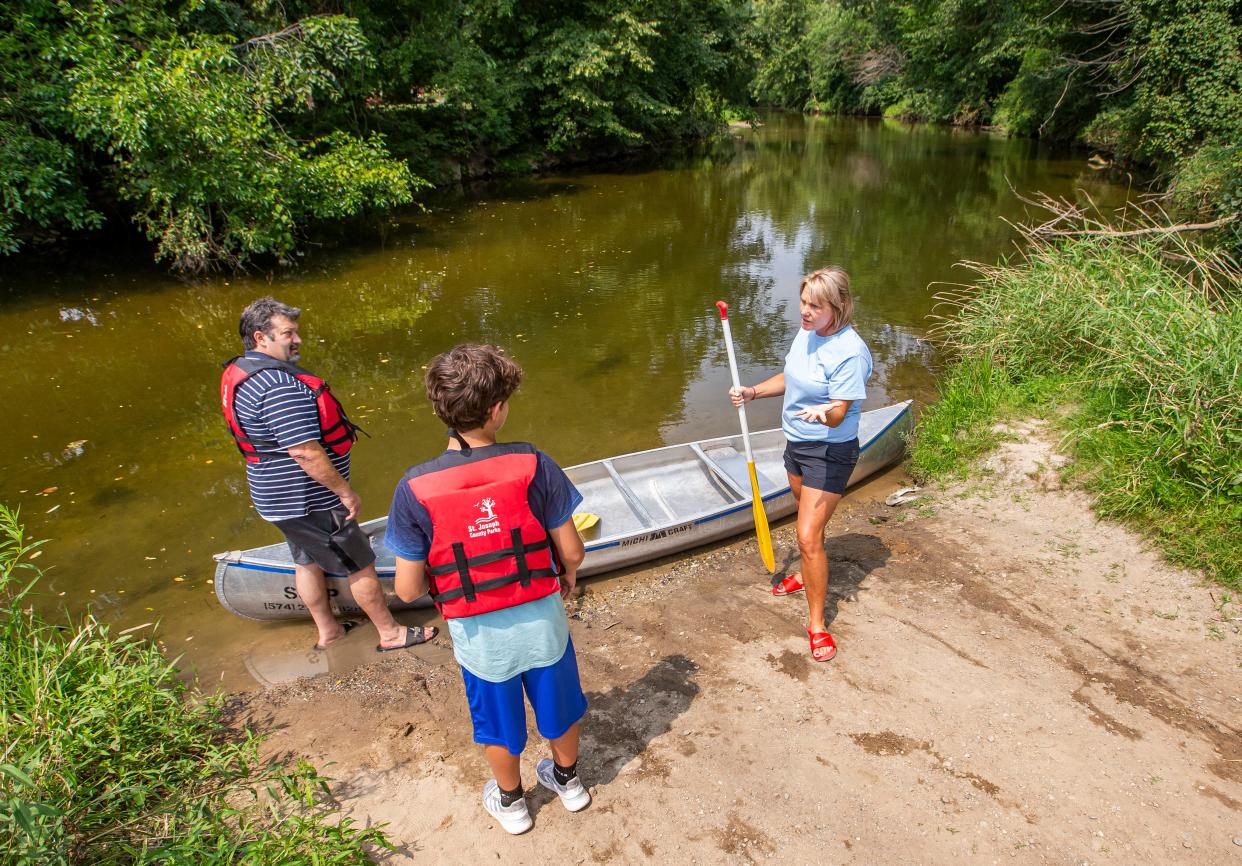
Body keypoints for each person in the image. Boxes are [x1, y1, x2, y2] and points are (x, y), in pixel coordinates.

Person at [386, 344, 590, 835]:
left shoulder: (413, 488)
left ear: (441, 410)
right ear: (497, 409)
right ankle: (569, 783)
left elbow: (409, 589)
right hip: (541, 616)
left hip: (479, 633)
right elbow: (574, 551)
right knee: (558, 703)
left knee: (498, 720)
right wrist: (568, 577)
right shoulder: (533, 462)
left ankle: (513, 804)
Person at [221, 297, 437, 653]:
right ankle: (390, 633)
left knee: (305, 559)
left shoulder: (244, 374)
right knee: (360, 564)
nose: (297, 340)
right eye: (288, 333)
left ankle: (330, 631)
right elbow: (304, 451)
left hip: (275, 498)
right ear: (261, 338)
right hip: (309, 499)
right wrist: (344, 492)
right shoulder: (277, 387)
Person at [728, 268, 872, 662]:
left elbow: (840, 413)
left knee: (807, 537)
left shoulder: (849, 352)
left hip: (830, 450)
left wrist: (821, 413)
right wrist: (754, 392)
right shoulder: (807, 333)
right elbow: (793, 378)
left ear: (838, 307)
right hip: (797, 444)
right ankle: (807, 573)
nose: (805, 312)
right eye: (804, 302)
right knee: (808, 527)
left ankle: (817, 624)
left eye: (815, 305)